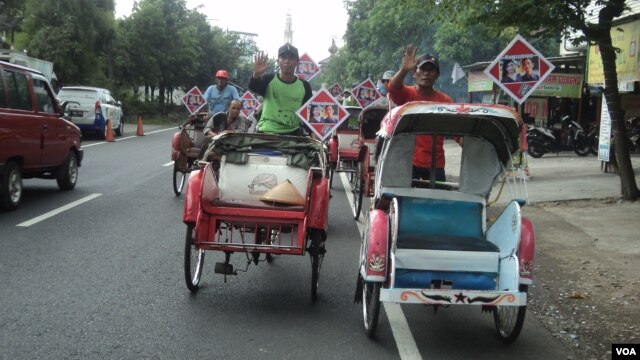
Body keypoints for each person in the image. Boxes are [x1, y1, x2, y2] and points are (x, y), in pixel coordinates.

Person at [386, 44, 456, 182]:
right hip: (408, 162)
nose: (426, 73)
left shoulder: (445, 101)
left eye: (431, 70)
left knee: (437, 202)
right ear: (415, 73)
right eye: (422, 69)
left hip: (435, 164)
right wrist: (404, 69)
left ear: (437, 75)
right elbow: (392, 88)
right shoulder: (407, 94)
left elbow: (455, 130)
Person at [248, 43, 313, 135]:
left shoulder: (304, 86)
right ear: (278, 61)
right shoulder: (268, 79)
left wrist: (313, 132)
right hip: (266, 131)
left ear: (297, 62)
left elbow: (308, 112)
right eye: (283, 58)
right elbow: (253, 86)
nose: (287, 61)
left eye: (291, 58)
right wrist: (256, 74)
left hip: (293, 133)